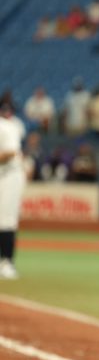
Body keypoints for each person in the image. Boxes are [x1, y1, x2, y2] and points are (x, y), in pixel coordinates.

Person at [0, 101, 26, 279]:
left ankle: (7, 262)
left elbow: (10, 152)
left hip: (9, 176)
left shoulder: (7, 126)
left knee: (6, 219)